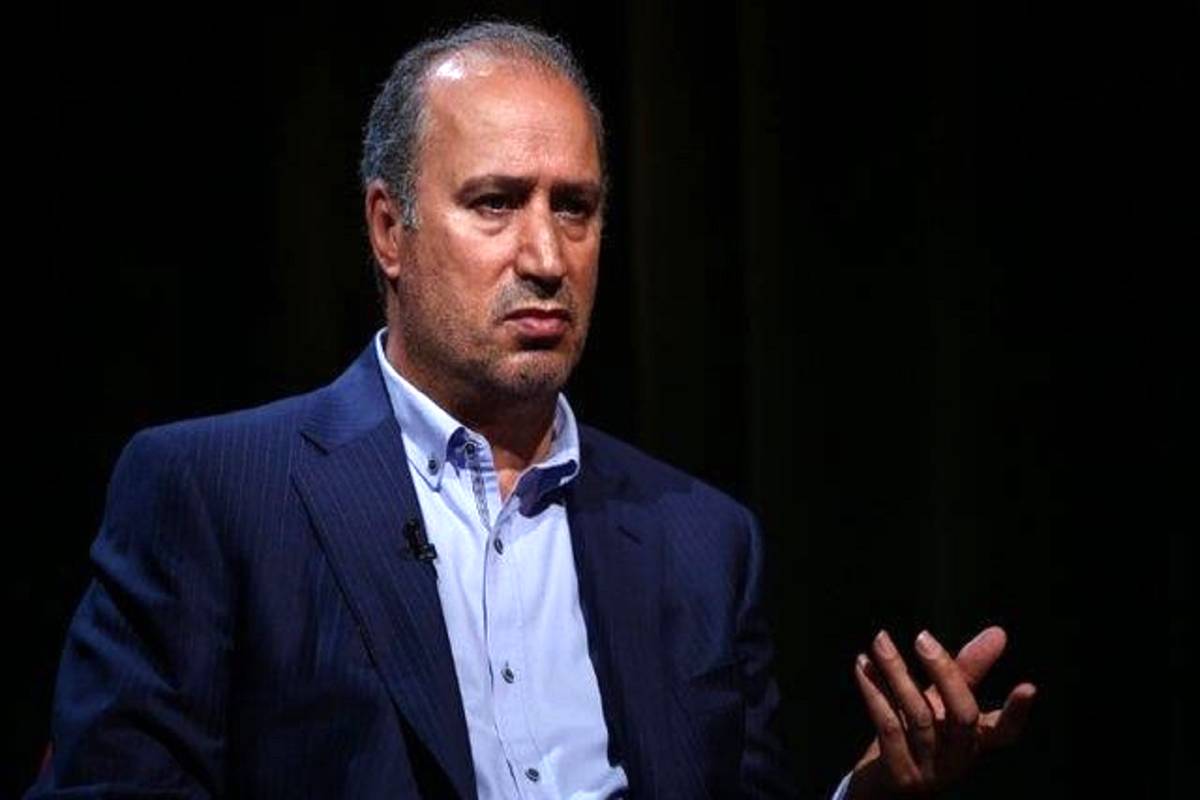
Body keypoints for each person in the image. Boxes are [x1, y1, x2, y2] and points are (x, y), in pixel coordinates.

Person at [28, 21, 1034, 799]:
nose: (547, 257)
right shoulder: (216, 494)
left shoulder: (703, 542)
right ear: (389, 228)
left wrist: (870, 793)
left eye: (575, 208)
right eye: (496, 203)